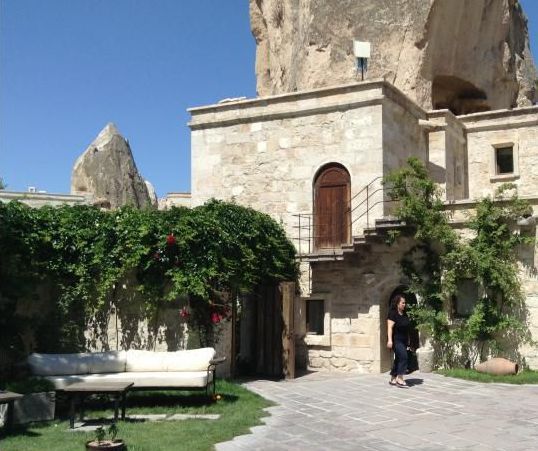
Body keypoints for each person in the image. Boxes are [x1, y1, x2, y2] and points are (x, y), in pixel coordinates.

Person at [387, 294, 411, 387]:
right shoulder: (393, 314)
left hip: (404, 340)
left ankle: (393, 378)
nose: (404, 304)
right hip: (396, 340)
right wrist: (389, 340)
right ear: (397, 303)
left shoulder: (404, 314)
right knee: (404, 357)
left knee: (398, 359)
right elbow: (389, 328)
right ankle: (400, 379)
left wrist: (408, 339)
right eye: (403, 303)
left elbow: (407, 328)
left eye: (405, 303)